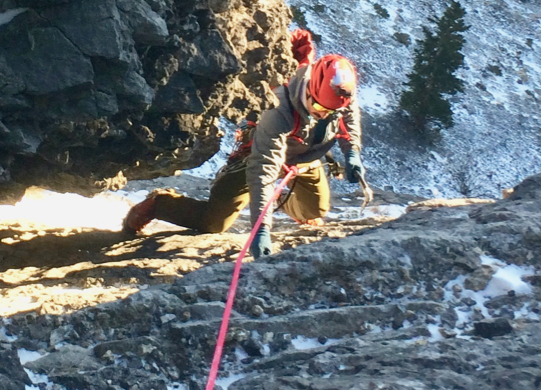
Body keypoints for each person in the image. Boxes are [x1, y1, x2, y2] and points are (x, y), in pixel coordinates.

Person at [123, 32, 366, 257]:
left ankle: (291, 204)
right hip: (258, 156)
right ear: (310, 91)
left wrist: (352, 153)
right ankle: (159, 204)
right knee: (214, 222)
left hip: (303, 159)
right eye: (321, 108)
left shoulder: (340, 95)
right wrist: (261, 230)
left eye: (332, 111)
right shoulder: (279, 107)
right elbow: (263, 171)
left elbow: (349, 121)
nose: (325, 115)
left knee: (315, 210)